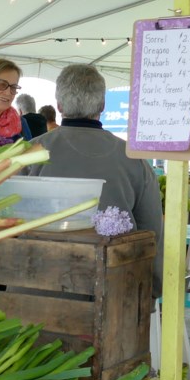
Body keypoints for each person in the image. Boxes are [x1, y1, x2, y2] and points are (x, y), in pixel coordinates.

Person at [24, 64, 164, 296]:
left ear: (58, 105)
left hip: (36, 291)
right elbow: (152, 234)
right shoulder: (134, 158)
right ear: (102, 106)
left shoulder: (29, 152)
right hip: (114, 292)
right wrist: (153, 289)